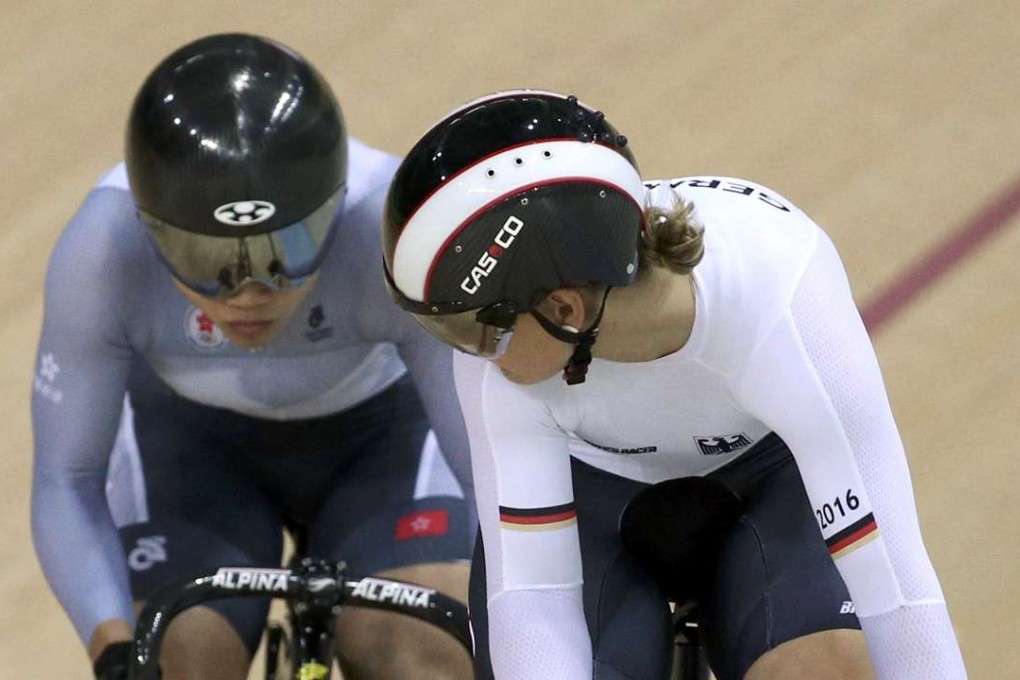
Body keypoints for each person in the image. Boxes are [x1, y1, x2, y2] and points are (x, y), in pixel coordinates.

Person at [381, 90, 969, 679]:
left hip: (772, 487)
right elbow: (533, 599)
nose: (468, 353)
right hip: (588, 510)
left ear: (563, 309)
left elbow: (897, 590)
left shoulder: (782, 294)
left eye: (471, 329)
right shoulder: (506, 349)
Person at [31, 33, 474, 680]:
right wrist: (117, 651)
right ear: (149, 230)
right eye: (206, 258)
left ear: (336, 211)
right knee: (172, 664)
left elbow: (495, 469)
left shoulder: (390, 230)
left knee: (426, 660)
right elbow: (66, 481)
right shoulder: (102, 251)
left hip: (384, 441)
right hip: (191, 452)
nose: (248, 294)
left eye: (285, 249)